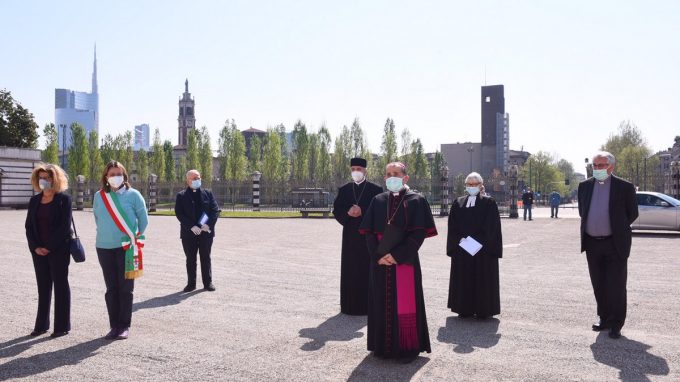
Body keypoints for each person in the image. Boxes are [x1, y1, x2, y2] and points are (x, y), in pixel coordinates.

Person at [359, 162, 437, 363]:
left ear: (405, 177)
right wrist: (377, 256)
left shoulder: (416, 201)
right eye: (388, 174)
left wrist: (397, 256)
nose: (391, 177)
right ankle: (382, 347)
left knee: (405, 303)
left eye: (396, 173)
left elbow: (419, 234)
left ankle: (407, 348)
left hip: (405, 262)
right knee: (380, 301)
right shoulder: (377, 200)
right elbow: (367, 232)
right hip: (380, 263)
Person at [578, 151, 638, 339]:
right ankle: (603, 318)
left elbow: (632, 213)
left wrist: (616, 228)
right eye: (594, 166)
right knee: (599, 283)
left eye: (601, 165)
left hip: (615, 243)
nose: (597, 169)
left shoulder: (624, 187)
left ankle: (616, 323)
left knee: (616, 284)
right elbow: (583, 210)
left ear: (611, 166)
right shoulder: (584, 186)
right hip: (592, 243)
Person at [93, 160, 148, 340]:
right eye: (112, 174)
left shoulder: (134, 195)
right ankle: (114, 325)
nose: (115, 177)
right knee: (111, 289)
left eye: (118, 174)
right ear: (106, 177)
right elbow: (97, 219)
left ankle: (124, 325)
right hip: (103, 247)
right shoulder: (99, 196)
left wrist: (133, 237)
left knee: (125, 289)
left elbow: (143, 221)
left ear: (124, 176)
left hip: (126, 248)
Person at [25, 164, 72, 338]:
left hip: (58, 250)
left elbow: (64, 227)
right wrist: (36, 247)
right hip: (38, 251)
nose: (45, 181)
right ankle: (41, 325)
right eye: (42, 178)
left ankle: (61, 326)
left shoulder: (64, 200)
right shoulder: (34, 201)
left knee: (60, 286)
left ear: (55, 179)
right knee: (43, 287)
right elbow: (29, 226)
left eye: (48, 177)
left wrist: (49, 247)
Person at [446, 172, 502, 319]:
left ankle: (484, 310)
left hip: (483, 251)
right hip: (462, 250)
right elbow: (453, 227)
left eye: (474, 184)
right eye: (469, 184)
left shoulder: (489, 203)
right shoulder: (458, 203)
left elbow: (491, 228)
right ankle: (464, 308)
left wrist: (476, 244)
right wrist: (463, 242)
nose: (471, 186)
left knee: (482, 280)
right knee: (463, 280)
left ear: (481, 185)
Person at [331, 157, 383, 315]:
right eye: (353, 169)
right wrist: (347, 212)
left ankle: (369, 306)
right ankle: (348, 306)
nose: (356, 172)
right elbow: (337, 209)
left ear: (365, 171)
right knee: (350, 270)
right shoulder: (345, 189)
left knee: (367, 270)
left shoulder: (376, 190)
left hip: (368, 237)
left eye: (359, 169)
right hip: (350, 237)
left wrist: (362, 211)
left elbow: (379, 212)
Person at [175, 169, 220, 292]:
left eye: (198, 177)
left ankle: (208, 282)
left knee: (206, 257)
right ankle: (191, 284)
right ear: (188, 180)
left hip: (206, 232)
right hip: (189, 233)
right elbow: (179, 213)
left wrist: (209, 225)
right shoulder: (181, 195)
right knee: (190, 258)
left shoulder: (208, 193)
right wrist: (190, 226)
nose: (197, 180)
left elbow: (215, 210)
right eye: (194, 178)